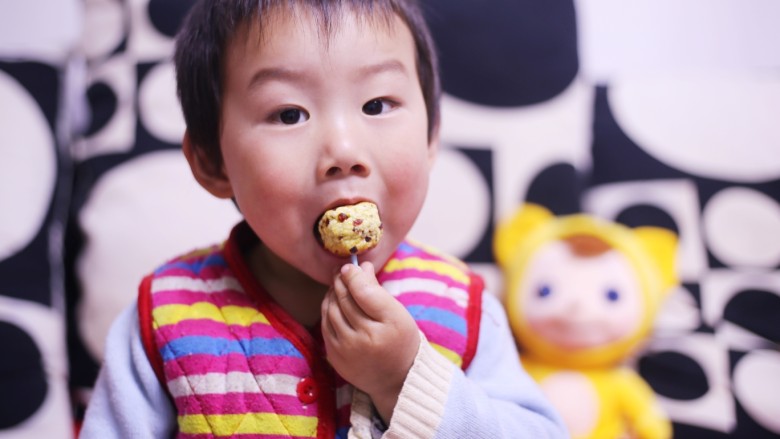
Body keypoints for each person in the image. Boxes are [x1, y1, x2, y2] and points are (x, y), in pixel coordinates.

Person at [79, 0, 568, 437]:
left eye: (377, 105)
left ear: (431, 135)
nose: (345, 151)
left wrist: (403, 380)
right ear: (212, 160)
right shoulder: (164, 316)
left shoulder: (463, 307)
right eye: (290, 114)